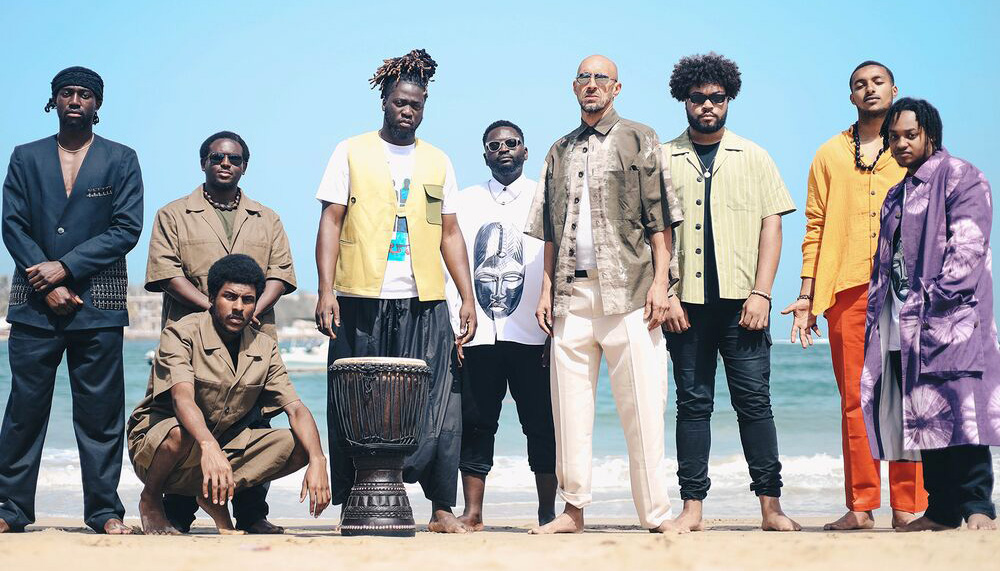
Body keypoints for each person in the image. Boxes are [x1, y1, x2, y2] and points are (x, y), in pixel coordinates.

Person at [314, 49, 477, 534]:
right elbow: (330, 221)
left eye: (417, 104)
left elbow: (450, 232)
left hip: (424, 299)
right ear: (384, 101)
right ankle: (352, 497)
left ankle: (441, 505)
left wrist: (465, 297)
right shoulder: (350, 150)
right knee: (355, 400)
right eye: (401, 101)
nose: (409, 110)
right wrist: (326, 291)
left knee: (439, 401)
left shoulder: (438, 159)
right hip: (359, 297)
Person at [526, 54, 682, 535]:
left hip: (632, 294)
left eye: (601, 78)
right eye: (584, 78)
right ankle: (571, 512)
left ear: (617, 88)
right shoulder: (558, 149)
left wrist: (663, 282)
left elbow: (660, 218)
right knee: (568, 411)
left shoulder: (640, 137)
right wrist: (547, 288)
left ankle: (656, 515)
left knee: (644, 408)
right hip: (573, 296)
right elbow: (551, 228)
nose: (591, 85)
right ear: (574, 88)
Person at [781, 62, 926, 530]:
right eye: (860, 84)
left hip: (906, 289)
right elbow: (815, 226)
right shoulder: (828, 154)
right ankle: (861, 506)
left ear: (894, 89)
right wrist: (806, 295)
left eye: (877, 82)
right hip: (845, 289)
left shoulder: (917, 147)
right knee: (855, 401)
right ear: (851, 96)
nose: (869, 89)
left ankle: (909, 506)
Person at [0, 67, 143, 534]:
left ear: (98, 104)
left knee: (101, 415)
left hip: (97, 304)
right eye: (67, 93)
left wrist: (66, 268)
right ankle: (9, 509)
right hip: (33, 306)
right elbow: (13, 225)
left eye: (85, 94)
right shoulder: (25, 157)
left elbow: (126, 228)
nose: (75, 100)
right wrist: (47, 280)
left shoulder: (121, 159)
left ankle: (104, 511)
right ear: (53, 102)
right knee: (24, 412)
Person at [661, 53, 799, 532]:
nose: (707, 106)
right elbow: (650, 233)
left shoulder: (755, 156)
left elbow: (772, 226)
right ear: (684, 99)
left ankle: (771, 507)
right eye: (697, 98)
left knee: (754, 404)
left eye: (716, 98)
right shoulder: (661, 157)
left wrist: (763, 294)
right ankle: (692, 509)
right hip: (686, 307)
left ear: (729, 99)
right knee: (692, 405)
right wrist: (668, 293)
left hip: (744, 305)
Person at [144, 131, 297, 534]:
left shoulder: (268, 218)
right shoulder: (173, 214)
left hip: (253, 339)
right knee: (190, 418)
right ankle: (177, 511)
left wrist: (246, 313)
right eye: (216, 157)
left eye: (233, 158)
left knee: (256, 423)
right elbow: (166, 272)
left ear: (245, 165)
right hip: (194, 338)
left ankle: (252, 515)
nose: (224, 164)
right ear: (203, 163)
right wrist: (212, 309)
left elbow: (280, 274)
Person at [861, 98, 999, 532]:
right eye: (894, 137)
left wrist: (935, 301)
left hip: (951, 321)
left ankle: (978, 508)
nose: (901, 143)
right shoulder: (895, 194)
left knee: (964, 412)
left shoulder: (960, 175)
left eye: (910, 134)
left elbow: (969, 246)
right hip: (903, 323)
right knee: (928, 416)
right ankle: (941, 511)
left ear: (930, 135)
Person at [128, 254, 330, 535]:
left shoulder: (264, 346)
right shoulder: (181, 333)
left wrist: (319, 459)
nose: (238, 307)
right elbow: (181, 398)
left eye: (247, 300)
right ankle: (149, 499)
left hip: (218, 449)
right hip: (160, 445)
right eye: (229, 297)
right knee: (180, 432)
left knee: (300, 444)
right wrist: (209, 447)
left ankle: (211, 494)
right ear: (212, 297)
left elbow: (295, 408)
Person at [446, 120, 556, 530]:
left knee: (541, 424)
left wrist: (556, 325)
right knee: (476, 422)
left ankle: (547, 511)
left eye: (512, 144)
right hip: (479, 336)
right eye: (494, 146)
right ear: (485, 154)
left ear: (526, 151)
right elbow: (451, 260)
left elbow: (556, 260)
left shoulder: (544, 197)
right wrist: (457, 319)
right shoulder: (466, 200)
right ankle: (473, 513)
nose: (503, 150)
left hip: (534, 332)